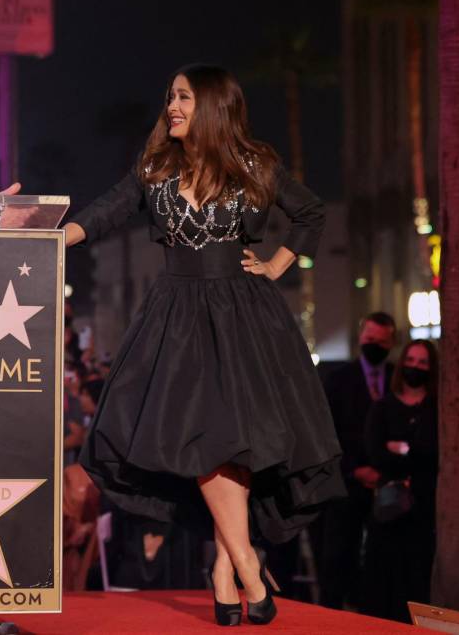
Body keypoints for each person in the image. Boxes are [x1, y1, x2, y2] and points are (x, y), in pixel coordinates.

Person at [66, 64, 344, 626]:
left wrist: (276, 265)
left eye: (184, 97)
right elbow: (105, 212)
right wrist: (48, 233)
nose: (172, 106)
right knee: (207, 439)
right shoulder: (155, 167)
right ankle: (244, 560)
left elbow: (310, 213)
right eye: (170, 96)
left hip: (244, 316)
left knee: (231, 442)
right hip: (176, 319)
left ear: (212, 105)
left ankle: (226, 566)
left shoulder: (254, 163)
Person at [317, 312, 396, 610]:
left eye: (380, 340)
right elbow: (329, 431)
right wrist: (354, 468)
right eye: (369, 338)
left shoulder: (395, 377)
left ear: (391, 342)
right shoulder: (338, 379)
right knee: (338, 555)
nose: (373, 344)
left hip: (386, 484)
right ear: (361, 338)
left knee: (380, 559)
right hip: (346, 482)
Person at [362, 340, 438, 622]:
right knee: (383, 578)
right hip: (388, 509)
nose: (415, 367)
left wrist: (402, 448)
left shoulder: (437, 407)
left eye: (423, 362)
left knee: (418, 577)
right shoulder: (383, 407)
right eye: (411, 360)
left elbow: (434, 454)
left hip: (424, 509)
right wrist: (408, 452)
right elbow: (376, 454)